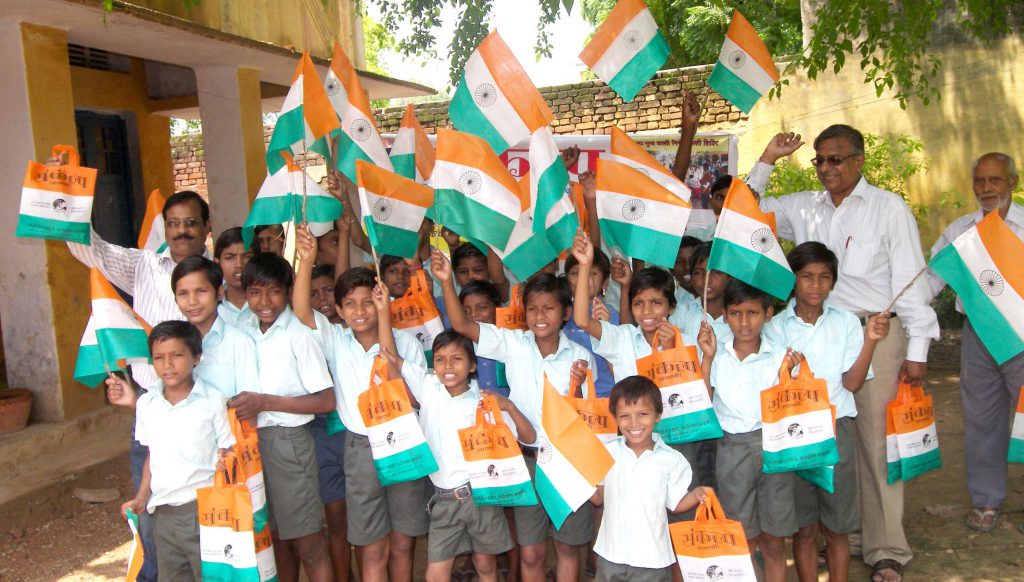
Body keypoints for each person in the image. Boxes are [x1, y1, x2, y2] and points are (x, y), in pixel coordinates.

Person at [746, 125, 940, 582]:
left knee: (874, 446)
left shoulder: (889, 210)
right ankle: (842, 532)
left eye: (836, 159)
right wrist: (769, 158)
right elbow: (746, 211)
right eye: (820, 160)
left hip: (873, 336)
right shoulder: (803, 207)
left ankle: (886, 548)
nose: (827, 168)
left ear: (859, 160)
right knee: (820, 440)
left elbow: (910, 281)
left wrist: (918, 347)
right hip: (812, 336)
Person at [68, 189, 212, 582]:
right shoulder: (143, 266)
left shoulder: (220, 275)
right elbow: (89, 249)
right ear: (165, 228)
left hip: (208, 413)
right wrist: (64, 196)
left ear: (206, 228)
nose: (182, 231)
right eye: (174, 223)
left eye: (191, 223)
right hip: (151, 408)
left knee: (208, 519)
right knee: (149, 510)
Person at [438, 249, 596, 582]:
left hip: (568, 462)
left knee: (567, 548)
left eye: (549, 308)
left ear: (565, 313)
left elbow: (584, 412)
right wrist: (444, 282)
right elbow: (463, 325)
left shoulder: (579, 355)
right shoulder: (512, 343)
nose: (540, 316)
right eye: (533, 309)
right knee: (531, 550)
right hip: (526, 459)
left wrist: (579, 386)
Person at [292, 226, 430, 582]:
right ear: (338, 309)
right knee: (372, 546)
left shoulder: (406, 344)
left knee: (402, 543)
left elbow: (399, 383)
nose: (360, 310)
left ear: (381, 301)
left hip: (402, 441)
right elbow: (301, 311)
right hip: (360, 448)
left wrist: (385, 317)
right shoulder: (337, 342)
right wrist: (306, 260)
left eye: (369, 301)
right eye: (350, 304)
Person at [766, 242, 891, 582]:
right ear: (793, 280)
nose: (815, 285)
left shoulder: (847, 322)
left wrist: (870, 341)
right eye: (806, 277)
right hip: (796, 436)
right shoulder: (776, 327)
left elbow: (852, 383)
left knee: (837, 528)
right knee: (805, 528)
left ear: (833, 282)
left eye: (824, 277)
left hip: (837, 431)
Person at [377, 316, 536, 582]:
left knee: (485, 566)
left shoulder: (485, 402)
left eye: (457, 359)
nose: (447, 366)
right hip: (443, 501)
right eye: (440, 359)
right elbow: (389, 357)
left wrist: (508, 406)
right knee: (435, 573)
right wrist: (383, 308)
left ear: (472, 365)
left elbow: (528, 435)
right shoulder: (428, 387)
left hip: (480, 498)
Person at [926, 152, 1024, 534]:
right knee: (982, 419)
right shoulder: (960, 232)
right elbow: (930, 279)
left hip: (1021, 336)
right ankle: (986, 499)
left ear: (1013, 183)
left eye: (995, 180)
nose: (986, 189)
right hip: (979, 338)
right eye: (980, 181)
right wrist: (901, 310)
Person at [229, 252, 336, 582]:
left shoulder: (298, 335)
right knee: (274, 540)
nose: (264, 301)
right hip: (249, 445)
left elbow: (326, 400)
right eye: (255, 292)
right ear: (244, 293)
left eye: (274, 291)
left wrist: (265, 402)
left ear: (289, 290)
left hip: (288, 445)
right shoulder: (240, 328)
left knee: (309, 542)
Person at [696, 278, 803, 582]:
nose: (744, 322)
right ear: (726, 314)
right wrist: (706, 357)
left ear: (768, 314)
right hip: (731, 450)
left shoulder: (782, 355)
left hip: (774, 449)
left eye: (753, 313)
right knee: (743, 538)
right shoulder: (715, 352)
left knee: (774, 539)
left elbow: (791, 406)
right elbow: (703, 401)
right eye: (736, 313)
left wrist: (792, 375)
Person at [117, 321, 233, 581]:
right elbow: (151, 457)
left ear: (196, 358)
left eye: (176, 355)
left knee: (211, 576)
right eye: (159, 358)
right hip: (163, 514)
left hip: (204, 511)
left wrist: (226, 461)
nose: (167, 365)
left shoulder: (213, 401)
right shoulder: (146, 404)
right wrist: (140, 498)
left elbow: (227, 449)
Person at [591, 376, 710, 581]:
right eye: (625, 416)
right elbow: (598, 498)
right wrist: (574, 475)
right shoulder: (606, 453)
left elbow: (675, 504)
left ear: (658, 415)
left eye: (643, 414)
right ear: (615, 418)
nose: (634, 423)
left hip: (653, 559)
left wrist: (698, 494)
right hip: (610, 554)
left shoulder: (672, 460)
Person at [563, 246, 619, 397]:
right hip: (570, 400)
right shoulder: (561, 312)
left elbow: (620, 365)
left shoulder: (612, 316)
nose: (584, 278)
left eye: (592, 273)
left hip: (605, 399)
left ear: (605, 283)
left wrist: (605, 329)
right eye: (576, 273)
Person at [459, 280, 510, 396]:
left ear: (497, 308)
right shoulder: (460, 347)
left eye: (481, 308)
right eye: (466, 311)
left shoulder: (510, 342)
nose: (473, 314)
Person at [214, 227, 254, 327]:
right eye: (230, 258)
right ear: (217, 263)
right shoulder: (211, 304)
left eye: (247, 257)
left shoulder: (269, 301)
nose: (239, 264)